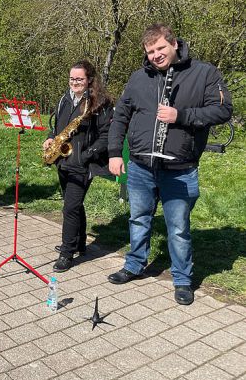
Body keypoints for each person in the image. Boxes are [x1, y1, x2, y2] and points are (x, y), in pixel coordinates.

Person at [107, 23, 232, 305]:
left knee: (177, 228)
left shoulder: (204, 73)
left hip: (180, 168)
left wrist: (181, 116)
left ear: (174, 44)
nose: (156, 55)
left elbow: (223, 109)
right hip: (140, 166)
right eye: (150, 51)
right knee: (138, 218)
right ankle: (134, 264)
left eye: (161, 48)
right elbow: (121, 116)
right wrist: (115, 152)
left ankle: (182, 279)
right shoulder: (138, 77)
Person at [43, 60, 113, 272]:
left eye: (79, 79)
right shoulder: (65, 98)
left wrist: (85, 156)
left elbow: (106, 136)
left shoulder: (100, 102)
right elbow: (57, 126)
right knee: (73, 203)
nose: (74, 82)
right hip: (63, 159)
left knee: (70, 208)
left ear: (89, 79)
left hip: (83, 162)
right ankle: (79, 242)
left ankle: (67, 253)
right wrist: (51, 138)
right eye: (72, 78)